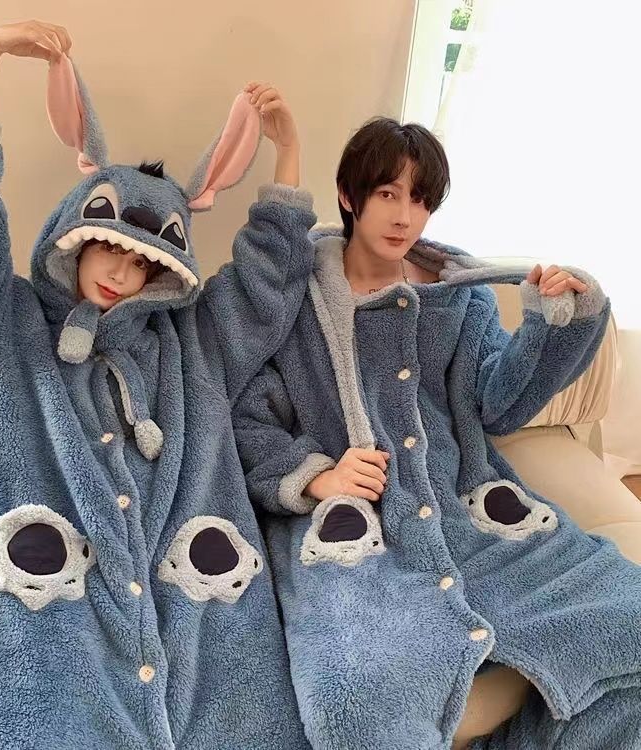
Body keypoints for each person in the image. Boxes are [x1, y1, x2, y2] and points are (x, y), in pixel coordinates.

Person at [0, 19, 316, 749]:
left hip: (199, 614)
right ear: (77, 237)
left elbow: (266, 286)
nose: (123, 275)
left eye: (146, 265)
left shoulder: (191, 347)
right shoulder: (3, 325)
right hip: (51, 614)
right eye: (111, 250)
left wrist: (288, 155)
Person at [233, 116, 641, 748]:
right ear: (348, 195)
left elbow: (498, 403)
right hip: (360, 534)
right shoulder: (295, 300)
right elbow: (249, 418)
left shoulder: (462, 295)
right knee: (352, 702)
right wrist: (318, 477)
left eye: (420, 200)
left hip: (467, 511)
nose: (405, 217)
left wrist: (552, 324)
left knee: (629, 620)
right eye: (388, 193)